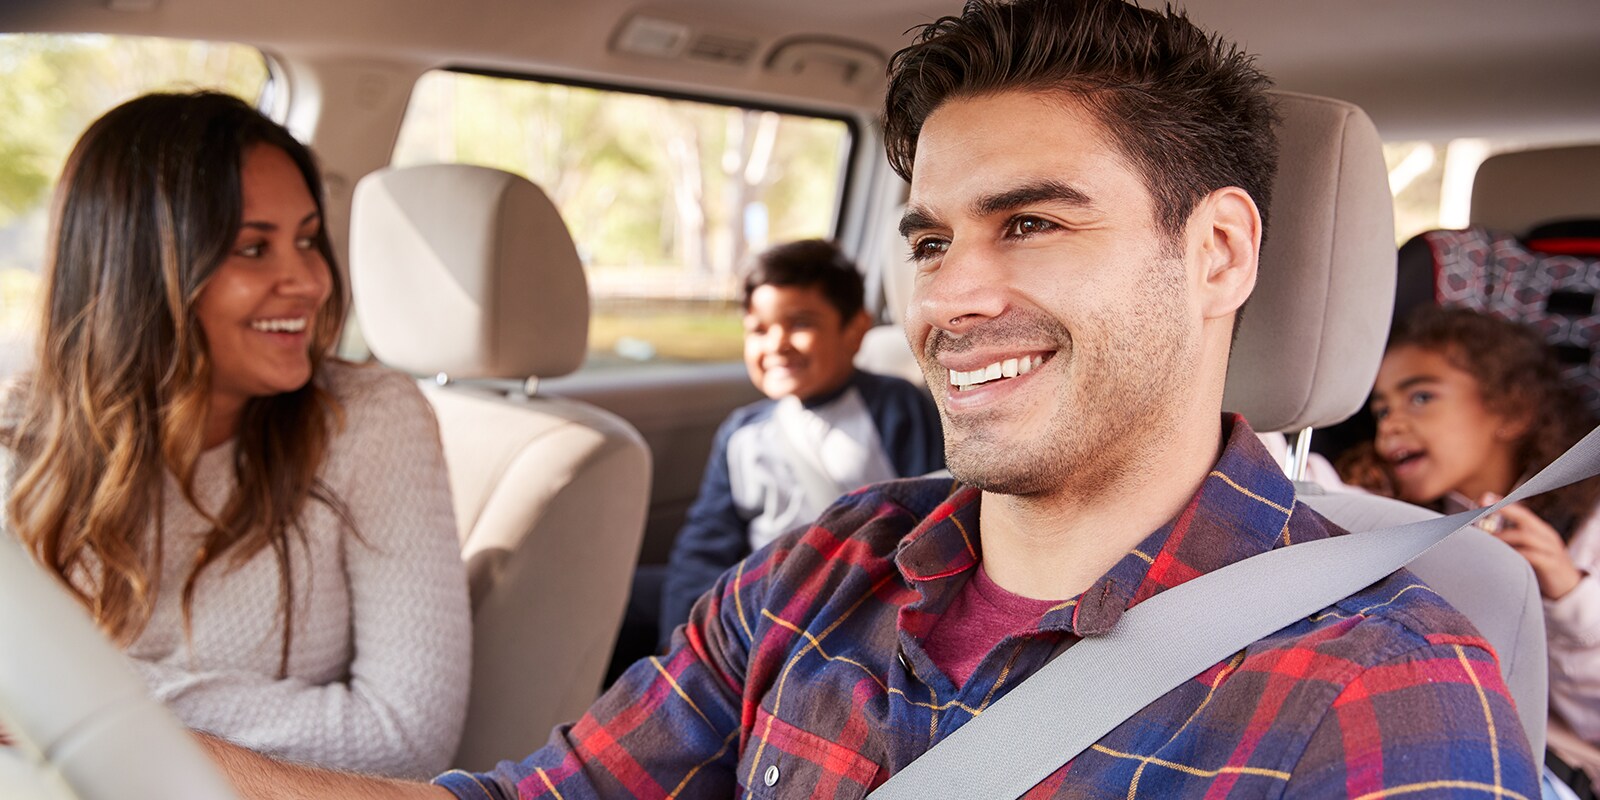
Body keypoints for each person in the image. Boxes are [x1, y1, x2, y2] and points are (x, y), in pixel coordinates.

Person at [198, 1, 1538, 796]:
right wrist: (119, 745)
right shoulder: (820, 574)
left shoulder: (1380, 691)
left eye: (1035, 224)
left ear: (1219, 255)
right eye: (936, 238)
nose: (953, 298)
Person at [0, 92, 471, 778]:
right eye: (255, 248)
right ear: (138, 273)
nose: (309, 280)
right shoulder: (23, 428)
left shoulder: (369, 420)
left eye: (308, 240)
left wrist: (88, 705)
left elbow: (404, 737)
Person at [1341, 306, 1600, 762]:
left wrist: (1567, 592)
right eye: (1381, 410)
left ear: (1512, 409)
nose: (1391, 425)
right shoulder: (1396, 520)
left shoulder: (1588, 525)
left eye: (1420, 398)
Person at [655, 238, 944, 643]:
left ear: (855, 330)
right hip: (758, 600)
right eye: (759, 329)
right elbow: (704, 544)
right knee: (621, 593)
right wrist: (684, 637)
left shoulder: (894, 406)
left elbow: (932, 517)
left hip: (856, 600)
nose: (776, 344)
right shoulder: (742, 431)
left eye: (801, 324)